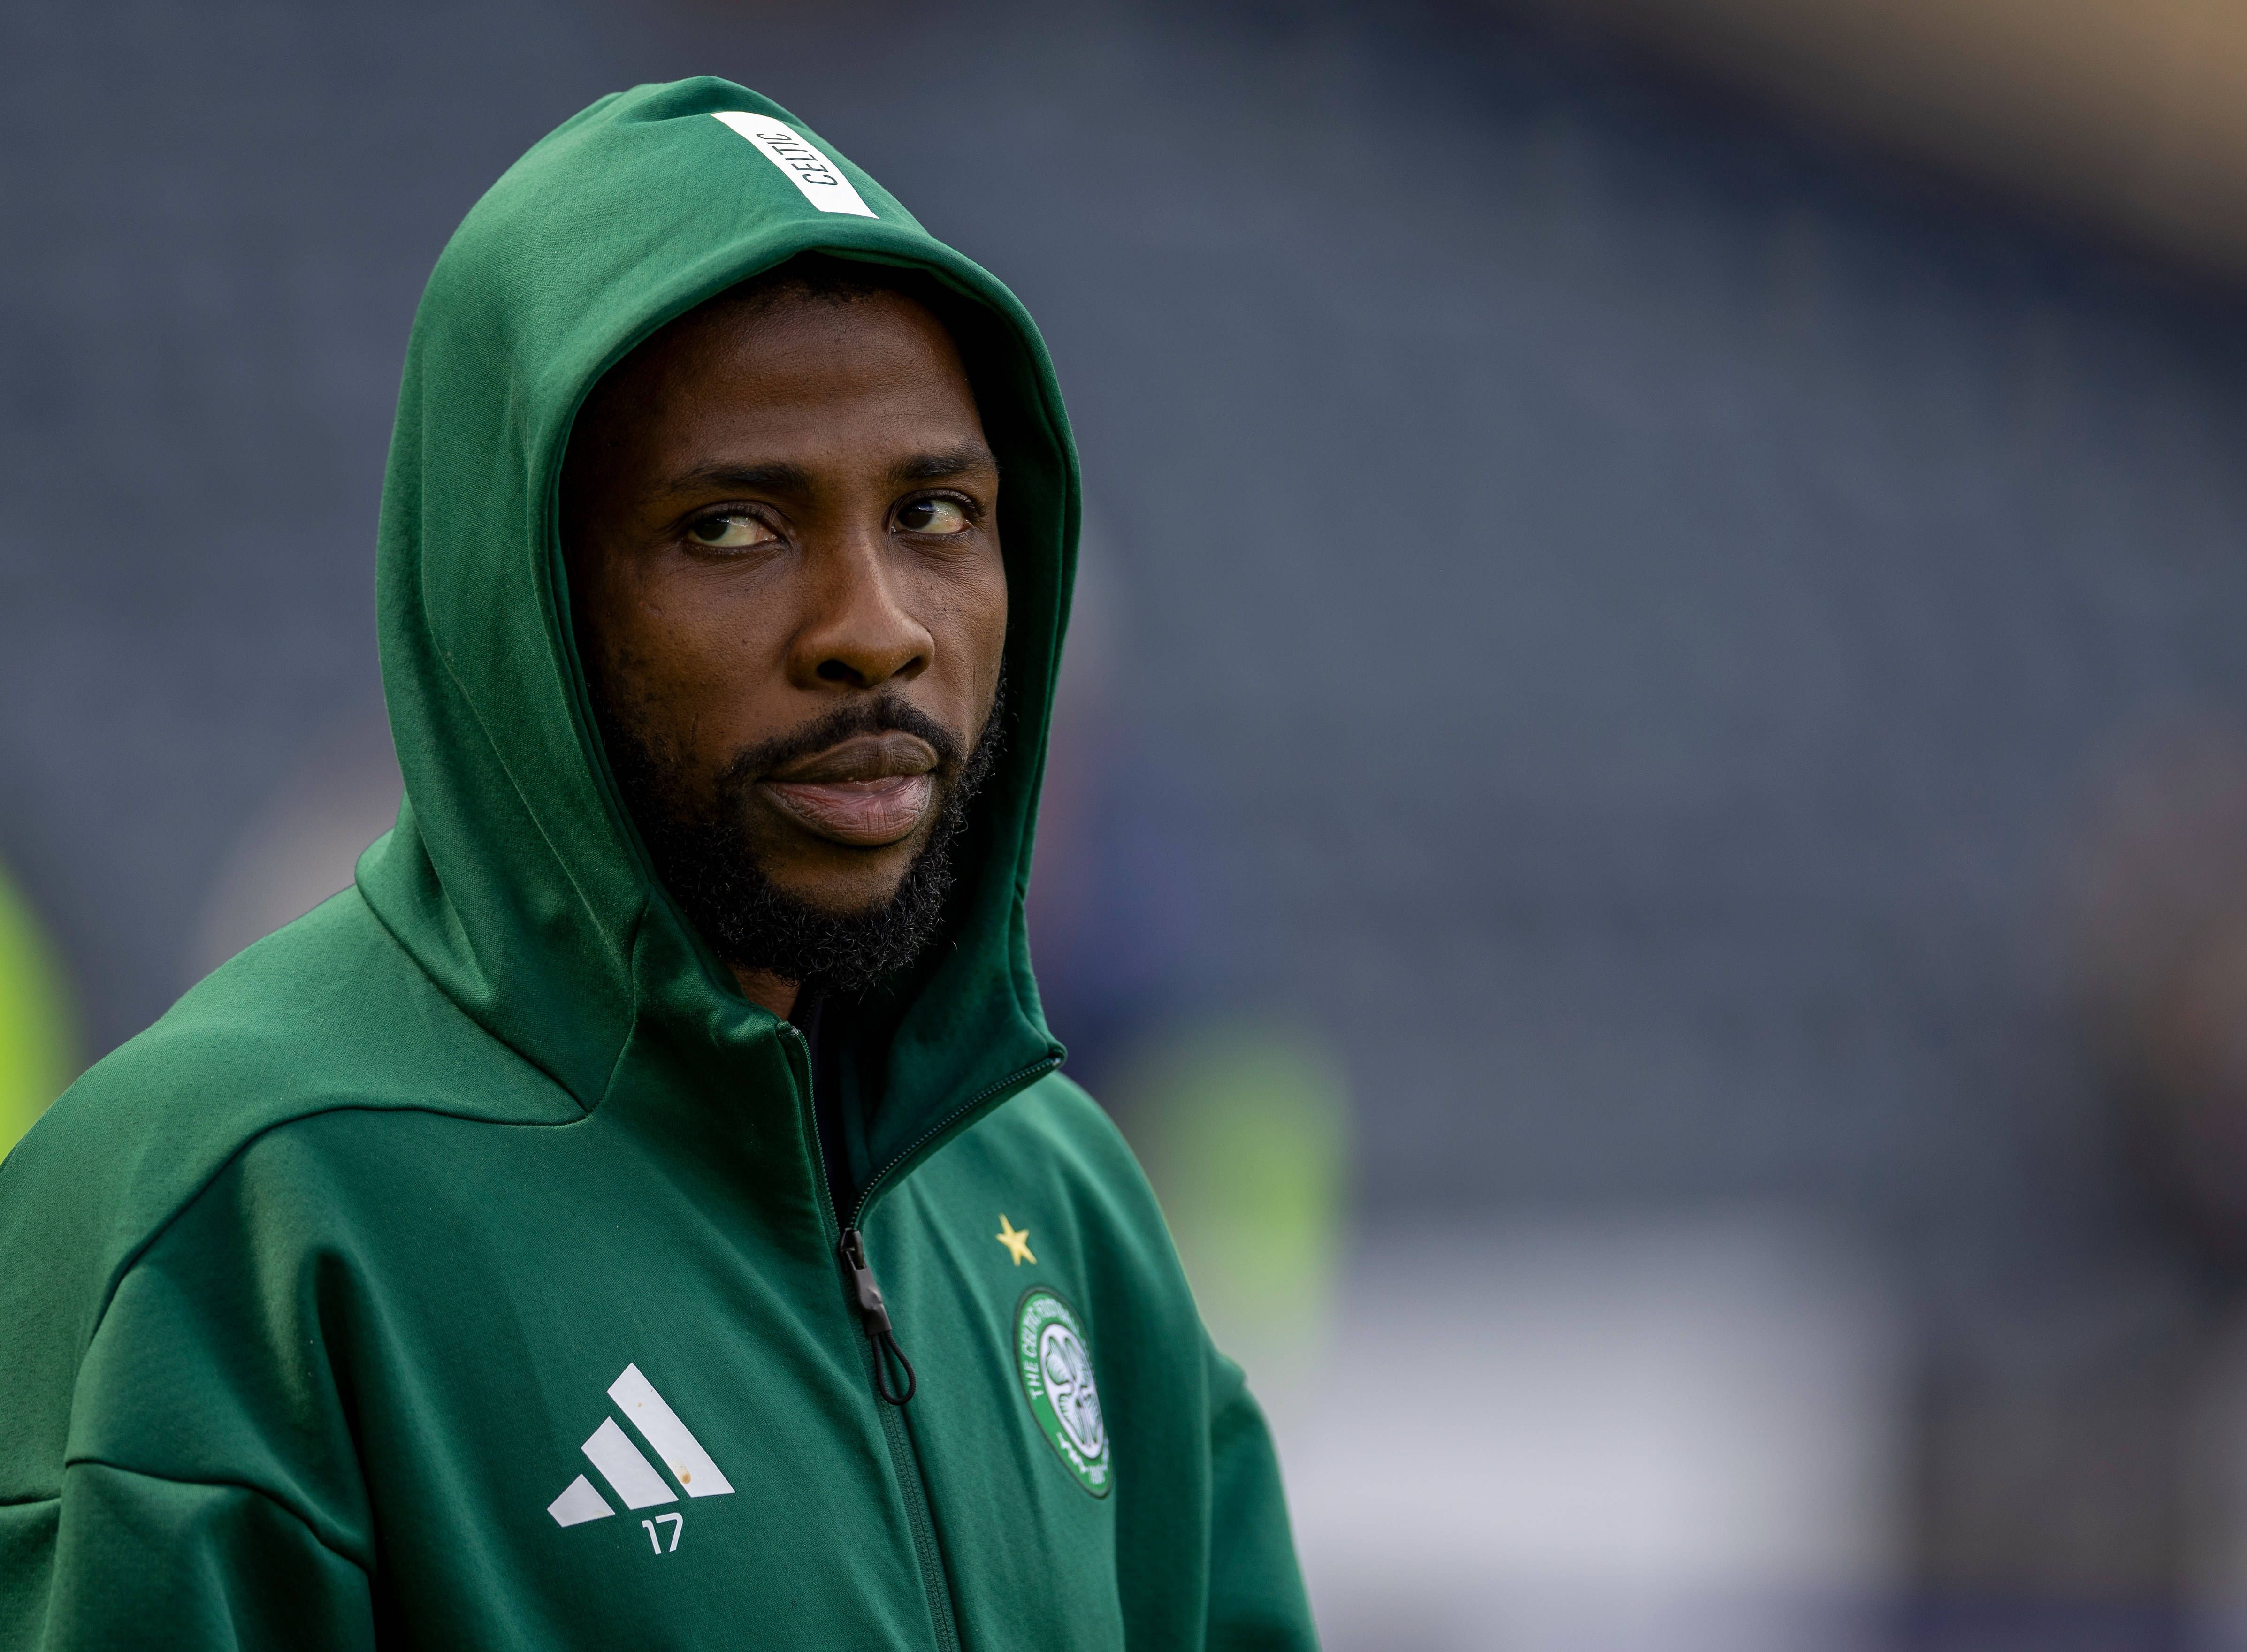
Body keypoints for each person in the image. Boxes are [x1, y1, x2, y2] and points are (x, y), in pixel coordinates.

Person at [0, 78, 1316, 1650]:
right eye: (735, 528)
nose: (877, 626)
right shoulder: (234, 1214)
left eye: (937, 511)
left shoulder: (1063, 1193)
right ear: (523, 596)